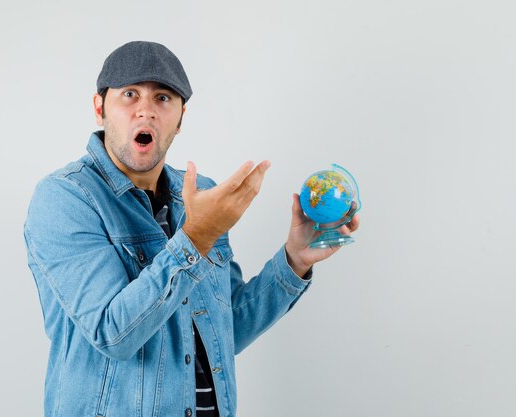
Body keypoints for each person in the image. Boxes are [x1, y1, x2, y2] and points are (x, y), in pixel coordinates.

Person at [24, 40, 359, 417]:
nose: (145, 111)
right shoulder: (65, 198)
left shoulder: (200, 197)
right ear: (100, 108)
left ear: (181, 117)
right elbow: (113, 333)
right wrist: (195, 238)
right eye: (129, 95)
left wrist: (294, 260)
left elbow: (225, 331)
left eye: (163, 98)